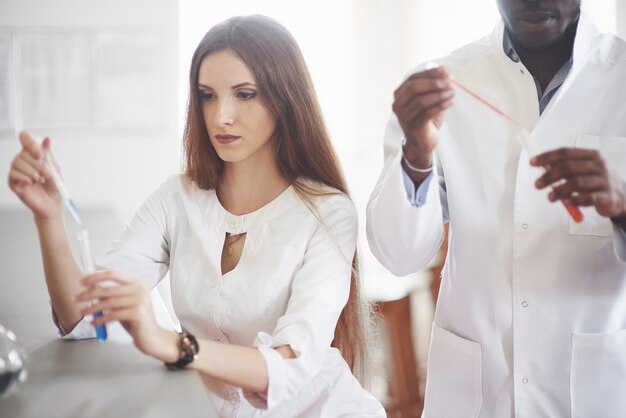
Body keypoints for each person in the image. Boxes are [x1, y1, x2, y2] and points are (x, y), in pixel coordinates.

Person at [8, 15, 385, 417]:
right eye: (207, 95)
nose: (221, 116)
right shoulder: (178, 197)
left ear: (286, 99)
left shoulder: (328, 213)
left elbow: (288, 365)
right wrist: (48, 217)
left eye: (244, 94)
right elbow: (80, 316)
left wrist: (170, 343)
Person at [366, 1, 626, 416]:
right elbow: (399, 255)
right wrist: (416, 154)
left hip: (594, 389)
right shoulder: (442, 86)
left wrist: (623, 207)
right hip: (478, 390)